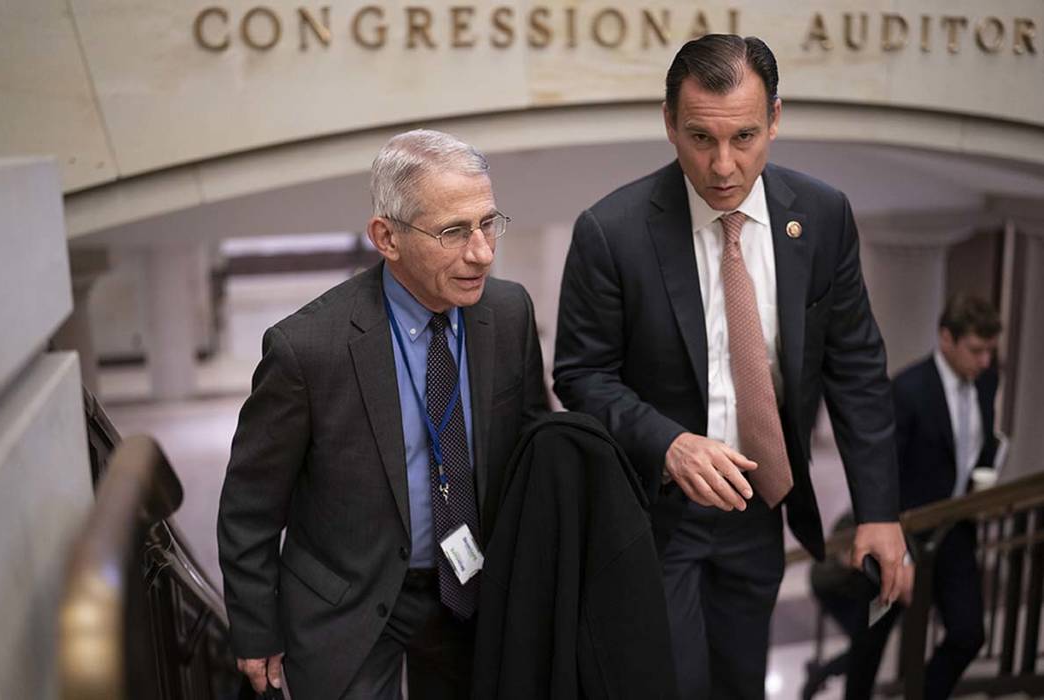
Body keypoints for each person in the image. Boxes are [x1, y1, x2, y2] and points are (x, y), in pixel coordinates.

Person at [553, 34, 907, 699]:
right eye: (701, 139)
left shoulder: (822, 216)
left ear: (775, 118)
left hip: (759, 509)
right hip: (657, 515)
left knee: (741, 683)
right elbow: (581, 373)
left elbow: (856, 366)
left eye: (744, 137)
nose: (722, 166)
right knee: (671, 684)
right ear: (668, 123)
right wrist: (670, 445)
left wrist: (880, 511)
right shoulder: (611, 231)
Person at [217, 129, 548, 700]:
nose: (482, 252)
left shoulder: (509, 312)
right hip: (347, 601)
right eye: (453, 232)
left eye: (487, 223)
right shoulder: (307, 349)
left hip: (470, 590)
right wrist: (254, 628)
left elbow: (532, 449)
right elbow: (250, 506)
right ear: (386, 238)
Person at [846, 293, 1001, 700]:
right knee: (871, 641)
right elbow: (885, 472)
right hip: (903, 531)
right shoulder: (909, 389)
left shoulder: (988, 378)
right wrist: (903, 553)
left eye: (990, 351)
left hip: (955, 528)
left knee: (969, 633)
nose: (985, 361)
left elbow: (979, 440)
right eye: (976, 350)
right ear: (946, 338)